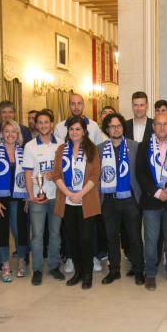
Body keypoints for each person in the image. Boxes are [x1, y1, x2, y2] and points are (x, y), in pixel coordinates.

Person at [136, 114, 167, 289]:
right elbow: (140, 174)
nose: (162, 127)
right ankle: (150, 274)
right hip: (151, 201)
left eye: (165, 124)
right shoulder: (144, 147)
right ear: (153, 127)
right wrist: (157, 192)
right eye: (158, 124)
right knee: (150, 239)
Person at [52, 116, 101, 289]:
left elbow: (95, 175)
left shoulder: (92, 150)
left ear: (84, 131)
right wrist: (68, 194)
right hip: (67, 202)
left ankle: (87, 275)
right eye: (71, 129)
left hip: (86, 201)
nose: (74, 132)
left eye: (78, 129)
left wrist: (79, 193)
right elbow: (56, 174)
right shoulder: (61, 150)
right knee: (73, 240)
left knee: (86, 240)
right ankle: (78, 273)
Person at [98, 112, 145, 285]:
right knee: (111, 236)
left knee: (134, 237)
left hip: (130, 199)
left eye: (118, 126)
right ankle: (114, 270)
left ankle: (139, 270)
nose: (115, 129)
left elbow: (140, 173)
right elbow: (97, 176)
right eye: (112, 126)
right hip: (109, 200)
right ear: (107, 129)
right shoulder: (100, 149)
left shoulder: (134, 146)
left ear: (123, 128)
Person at [0, 120, 30, 282]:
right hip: (0, 202)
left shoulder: (24, 153)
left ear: (18, 135)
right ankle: (5, 265)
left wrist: (28, 196)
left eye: (14, 131)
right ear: (2, 134)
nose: (10, 134)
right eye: (7, 131)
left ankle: (22, 262)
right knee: (1, 233)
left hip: (19, 200)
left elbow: (28, 177)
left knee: (20, 233)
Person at [23, 110, 64, 284]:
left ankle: (54, 266)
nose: (43, 125)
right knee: (37, 235)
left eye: (46, 122)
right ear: (36, 125)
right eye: (40, 122)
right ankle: (37, 269)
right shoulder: (30, 146)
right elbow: (27, 172)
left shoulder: (62, 144)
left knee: (55, 234)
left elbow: (66, 169)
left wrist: (54, 174)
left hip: (57, 196)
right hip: (38, 199)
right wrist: (31, 196)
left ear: (52, 124)